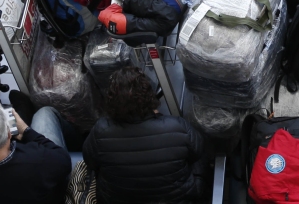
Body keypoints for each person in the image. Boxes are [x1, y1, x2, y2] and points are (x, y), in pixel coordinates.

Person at [83, 67, 207, 204]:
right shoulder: (178, 126)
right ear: (150, 96)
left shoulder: (100, 130)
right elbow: (198, 150)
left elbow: (91, 162)